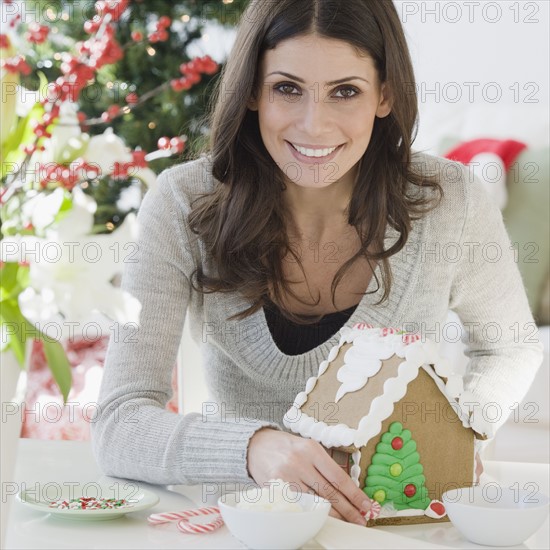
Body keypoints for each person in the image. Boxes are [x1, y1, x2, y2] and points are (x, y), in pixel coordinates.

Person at [91, 0, 544, 526]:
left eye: (345, 91)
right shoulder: (182, 203)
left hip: (398, 531)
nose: (314, 125)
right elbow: (119, 422)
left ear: (385, 94)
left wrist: (460, 433)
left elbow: (509, 346)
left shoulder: (451, 200)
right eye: (287, 88)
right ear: (254, 91)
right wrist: (254, 448)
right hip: (247, 529)